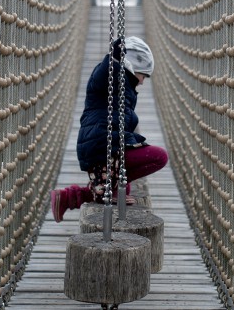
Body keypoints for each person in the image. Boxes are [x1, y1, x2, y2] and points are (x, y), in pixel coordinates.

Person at [50, 36, 169, 222]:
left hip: (106, 145)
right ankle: (99, 189)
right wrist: (113, 59)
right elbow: (103, 75)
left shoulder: (126, 88)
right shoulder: (109, 75)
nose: (143, 82)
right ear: (131, 67)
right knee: (159, 157)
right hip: (100, 145)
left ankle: (67, 197)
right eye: (143, 75)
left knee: (123, 189)